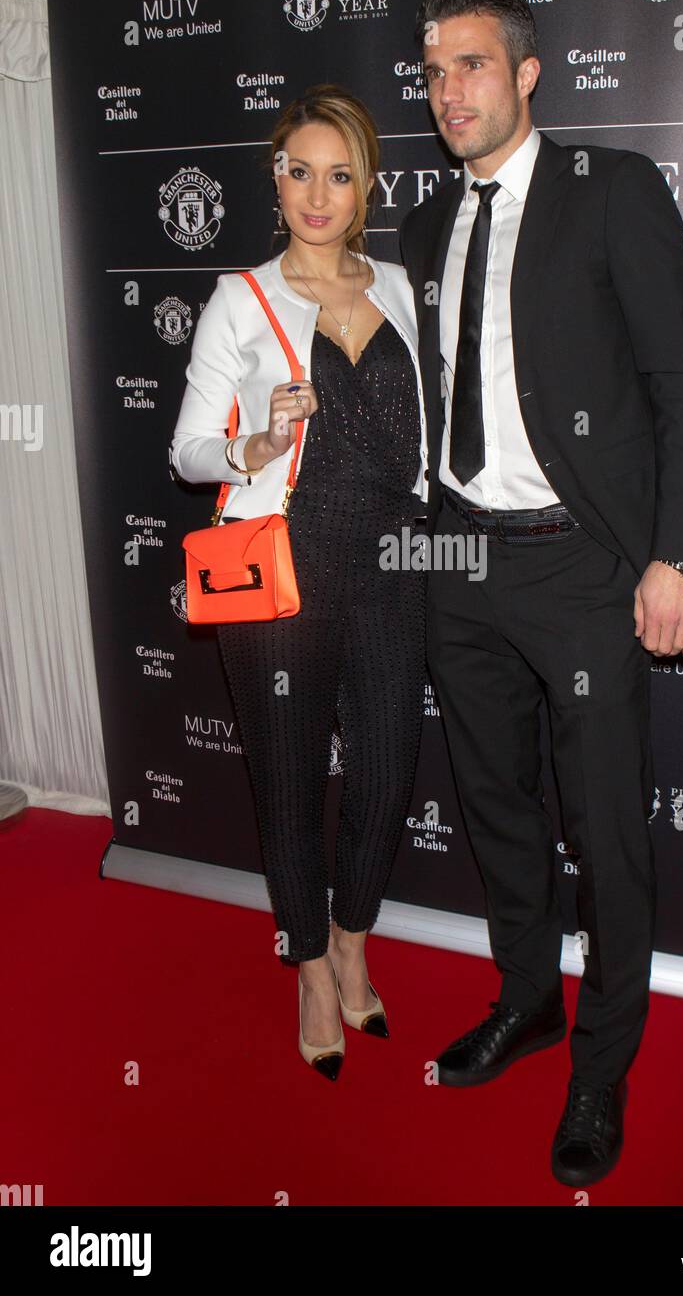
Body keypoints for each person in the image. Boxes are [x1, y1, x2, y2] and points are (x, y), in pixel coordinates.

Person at [399, 0, 683, 1184]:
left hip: (584, 566)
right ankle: (527, 998)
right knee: (496, 810)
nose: (449, 93)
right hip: (461, 559)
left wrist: (675, 551)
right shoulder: (428, 224)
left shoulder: (611, 194)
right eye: (433, 74)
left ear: (527, 73)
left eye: (472, 66)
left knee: (605, 833)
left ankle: (600, 1065)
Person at [170, 84, 429, 1081]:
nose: (316, 195)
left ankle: (355, 938)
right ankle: (312, 970)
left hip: (391, 565)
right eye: (297, 171)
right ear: (274, 181)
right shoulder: (243, 297)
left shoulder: (401, 286)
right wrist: (259, 441)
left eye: (337, 174)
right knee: (285, 785)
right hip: (282, 572)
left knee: (387, 771)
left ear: (364, 186)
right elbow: (189, 448)